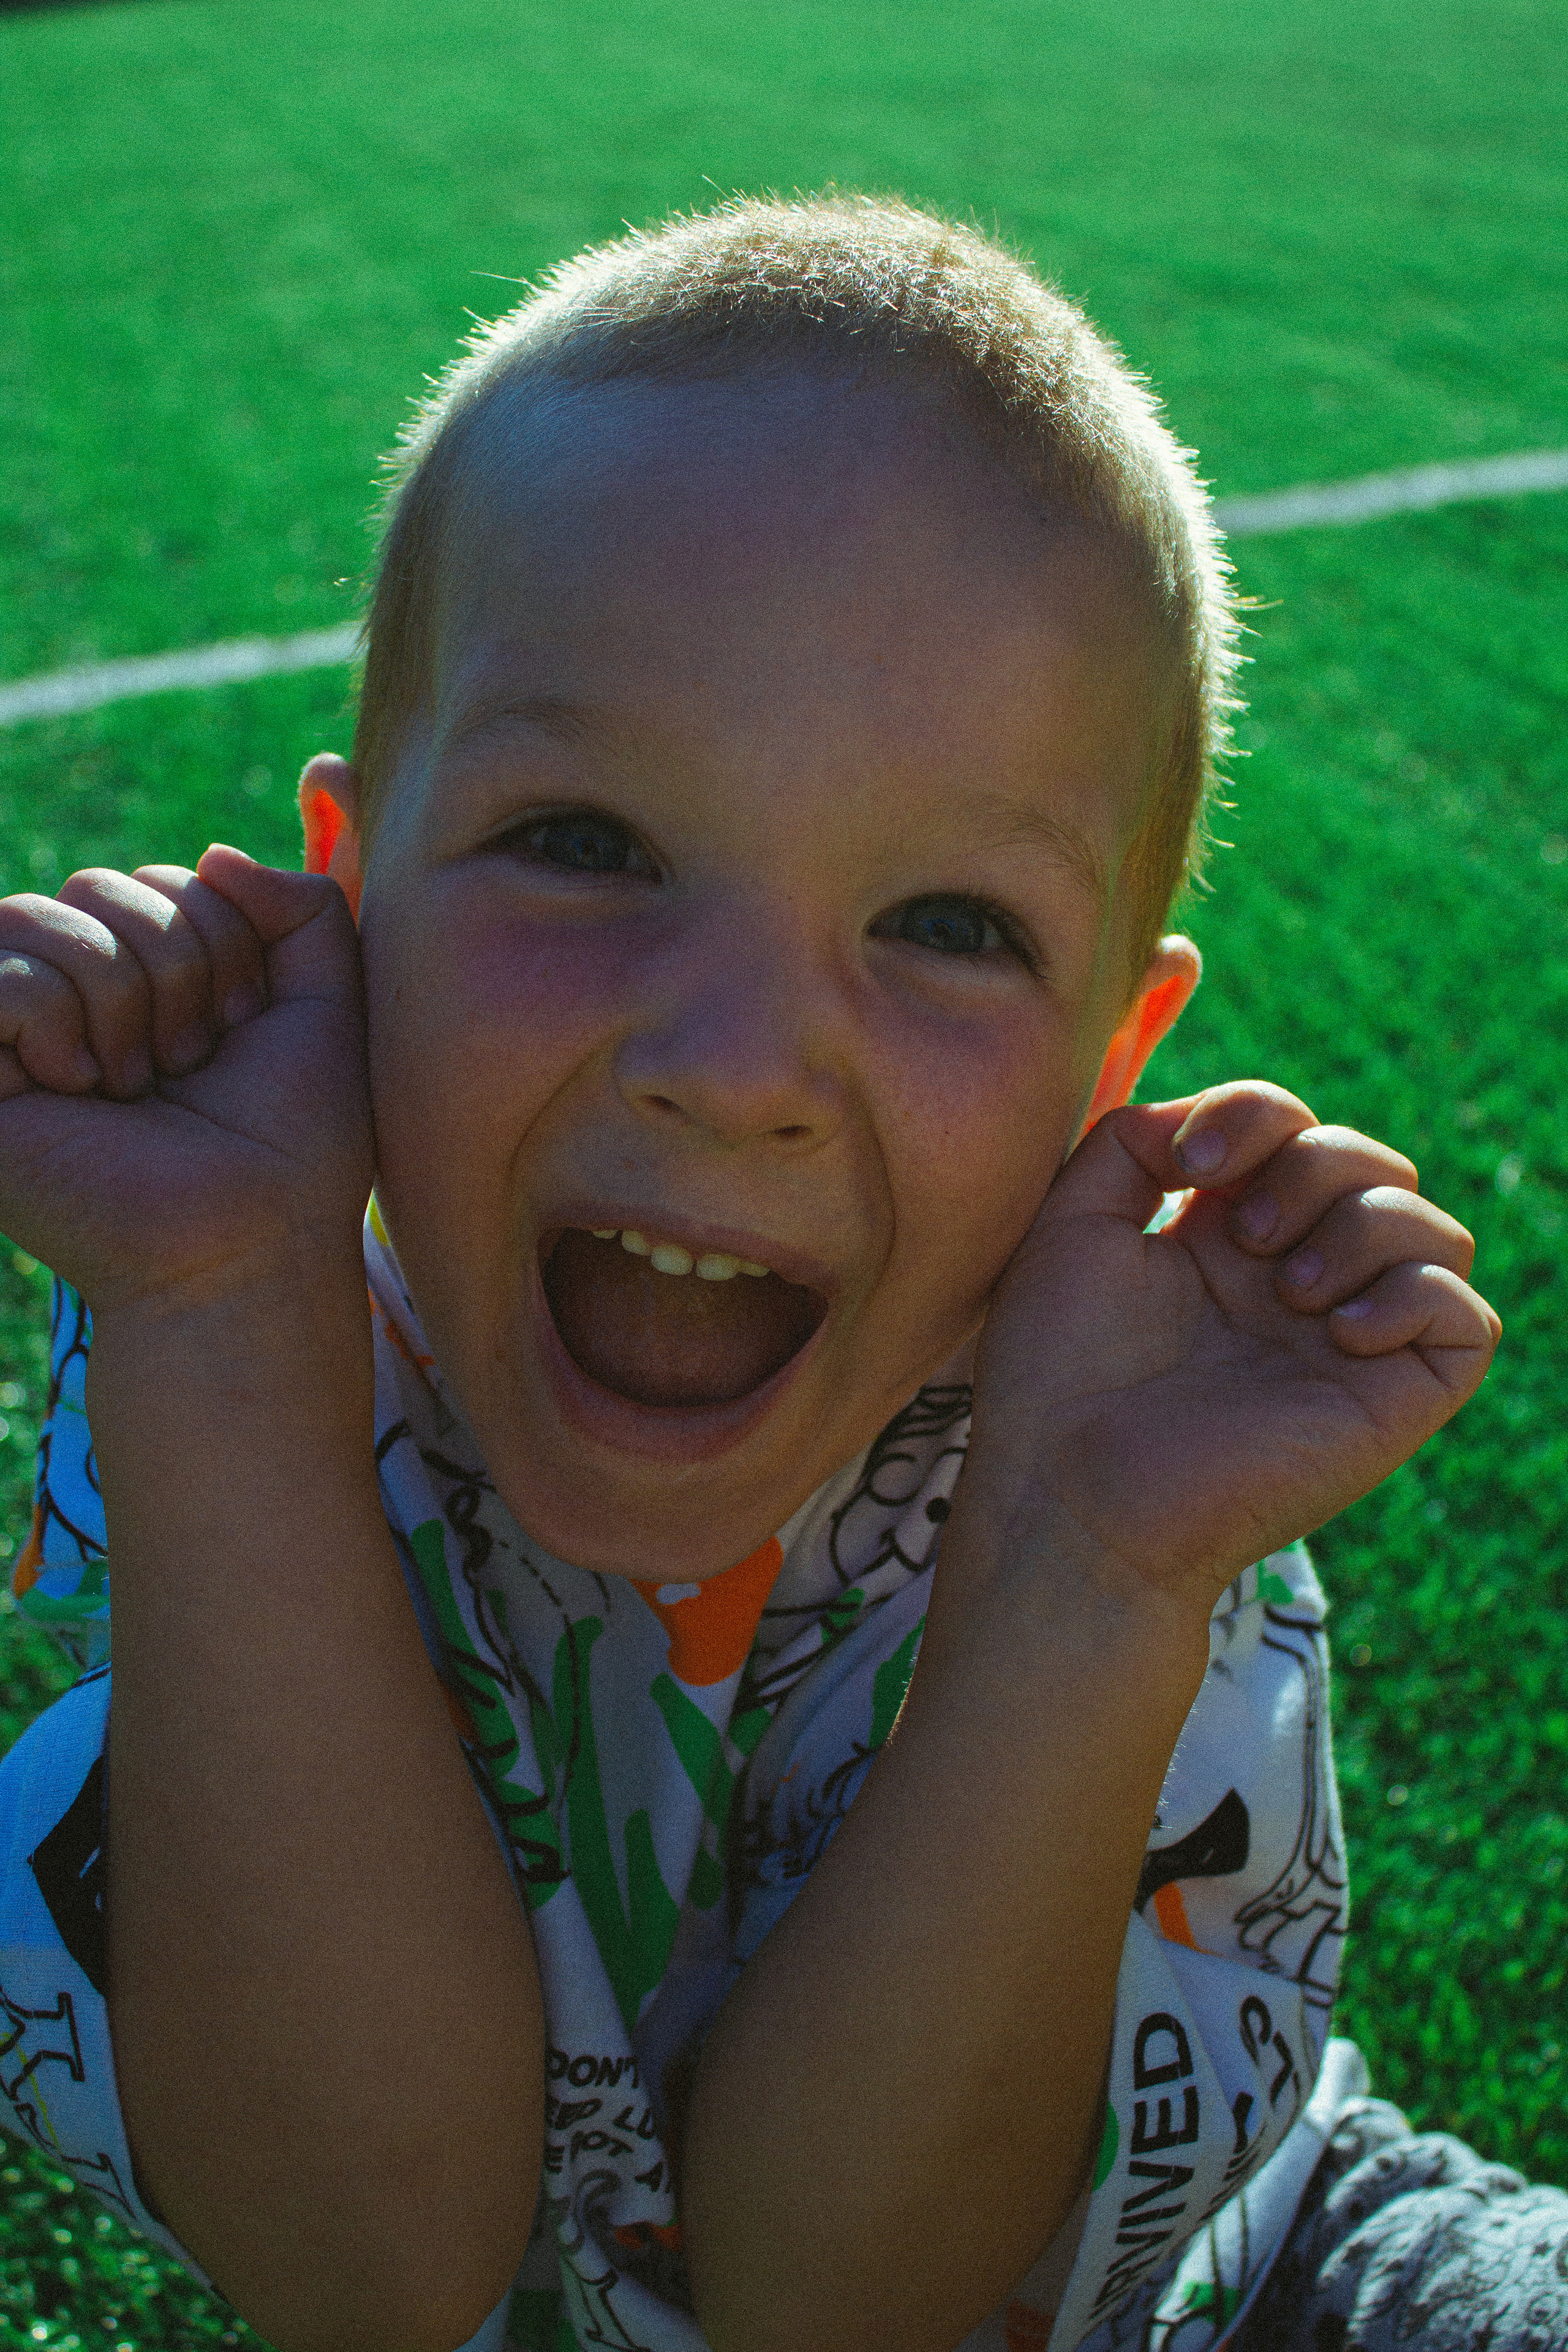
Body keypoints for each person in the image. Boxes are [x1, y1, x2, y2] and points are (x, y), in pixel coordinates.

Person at [0, 196, 1507, 2352]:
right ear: (353, 898)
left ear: (1113, 1064)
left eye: (948, 928)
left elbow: (847, 2304)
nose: (735, 1069)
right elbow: (365, 2271)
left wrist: (1088, 1576)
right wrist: (215, 1323)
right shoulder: (226, 1295)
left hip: (1237, 2285)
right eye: (586, 844)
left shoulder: (1124, 1442)